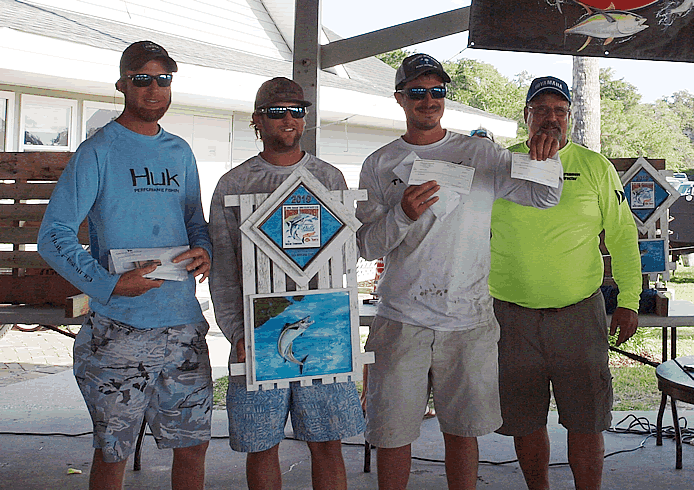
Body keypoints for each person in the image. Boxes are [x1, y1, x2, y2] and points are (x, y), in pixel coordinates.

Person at [355, 53, 564, 490]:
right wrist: (403, 215)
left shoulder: (480, 153)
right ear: (400, 98)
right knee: (392, 434)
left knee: (463, 433)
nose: (428, 100)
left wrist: (547, 154)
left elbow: (543, 197)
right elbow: (367, 244)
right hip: (401, 319)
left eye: (437, 91)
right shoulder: (379, 162)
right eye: (417, 92)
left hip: (468, 320)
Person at [37, 41, 213, 490]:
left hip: (184, 327)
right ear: (122, 86)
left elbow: (194, 220)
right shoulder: (98, 152)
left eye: (164, 79)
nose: (154, 89)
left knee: (192, 448)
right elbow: (53, 235)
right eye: (142, 79)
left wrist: (203, 248)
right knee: (113, 451)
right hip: (119, 331)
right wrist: (109, 285)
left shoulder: (180, 152)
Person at [208, 77, 365, 490]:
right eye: (277, 111)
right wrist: (237, 332)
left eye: (297, 111)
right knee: (262, 444)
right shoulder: (233, 184)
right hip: (258, 331)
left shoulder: (328, 177)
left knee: (328, 442)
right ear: (258, 120)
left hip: (323, 326)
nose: (289, 119)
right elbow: (223, 269)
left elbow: (346, 259)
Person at [489, 76, 642, 490]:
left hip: (579, 313)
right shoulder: (499, 164)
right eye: (541, 110)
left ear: (570, 118)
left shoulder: (595, 167)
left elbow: (623, 236)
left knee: (586, 419)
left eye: (560, 110)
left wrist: (629, 299)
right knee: (524, 419)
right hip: (510, 315)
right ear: (526, 116)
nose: (550, 118)